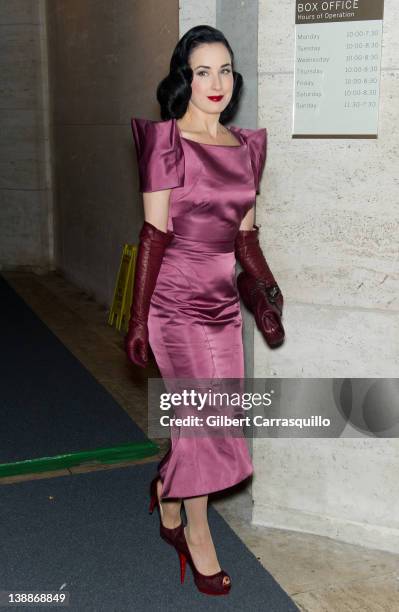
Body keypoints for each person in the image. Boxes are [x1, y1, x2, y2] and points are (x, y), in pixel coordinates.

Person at [125, 25, 283, 596]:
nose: (216, 83)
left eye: (224, 70)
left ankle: (168, 490)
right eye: (202, 71)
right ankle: (196, 532)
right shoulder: (166, 141)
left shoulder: (246, 148)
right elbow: (153, 235)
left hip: (219, 303)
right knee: (201, 421)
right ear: (183, 79)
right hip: (171, 300)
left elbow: (245, 240)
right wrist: (139, 318)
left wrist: (266, 291)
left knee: (219, 419)